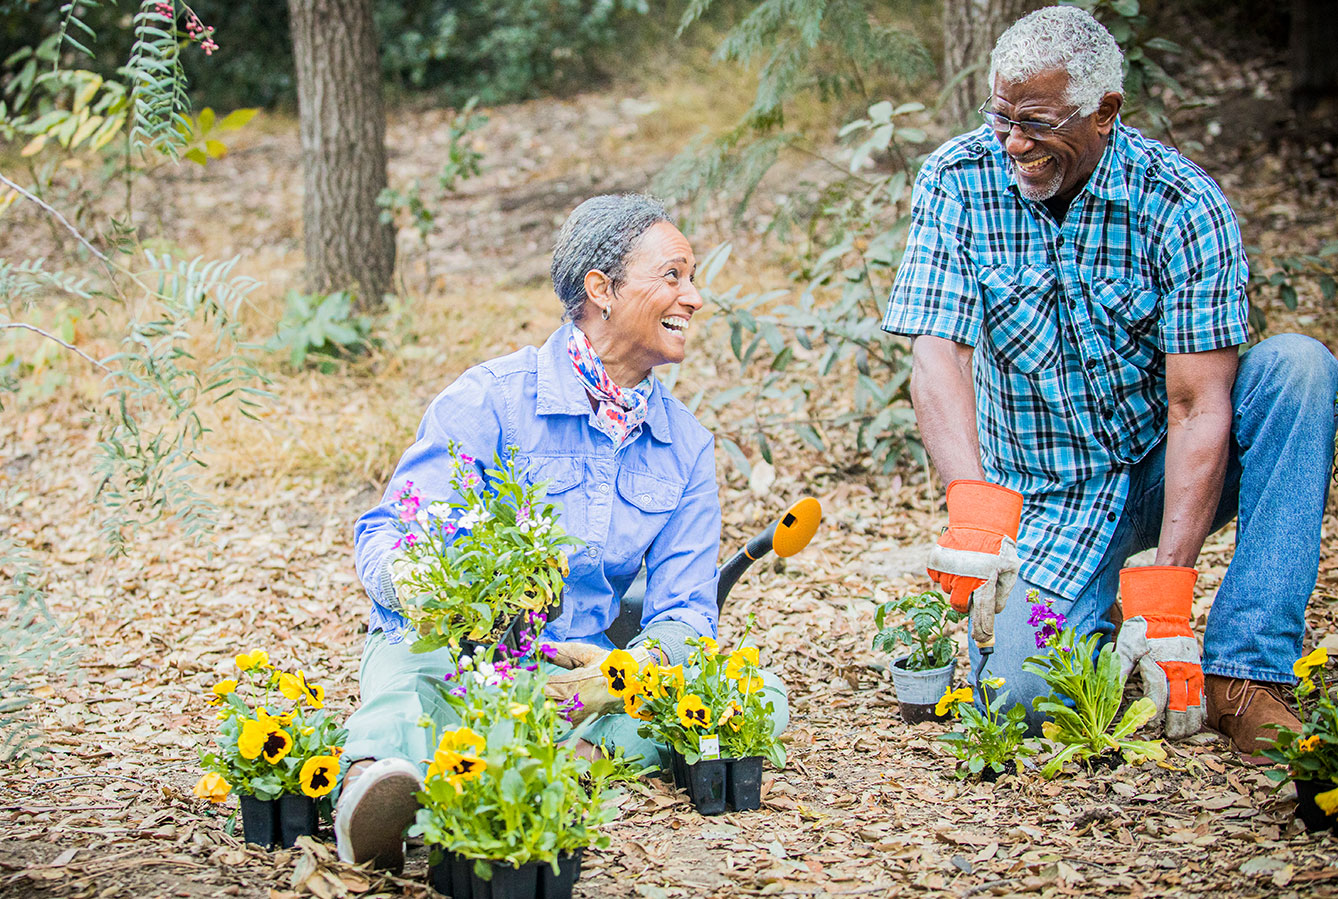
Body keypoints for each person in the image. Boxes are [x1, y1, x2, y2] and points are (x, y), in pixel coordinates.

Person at [882, 6, 1338, 760]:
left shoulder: (1180, 205)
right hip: (1047, 499)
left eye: (1037, 121)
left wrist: (1168, 592)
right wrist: (973, 512)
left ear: (1105, 112)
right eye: (1001, 116)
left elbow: (1197, 405)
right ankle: (1094, 606)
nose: (1014, 143)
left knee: (1299, 368)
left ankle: (1244, 673)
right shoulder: (957, 181)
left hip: (1168, 471)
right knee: (1020, 703)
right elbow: (938, 352)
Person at [334, 194, 788, 869]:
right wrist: (421, 581)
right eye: (673, 275)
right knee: (410, 668)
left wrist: (628, 671)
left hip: (573, 676)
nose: (693, 297)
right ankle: (378, 781)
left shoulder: (685, 446)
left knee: (755, 694)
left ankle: (552, 753)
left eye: (691, 278)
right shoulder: (488, 400)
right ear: (601, 290)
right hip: (466, 657)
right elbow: (385, 535)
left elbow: (687, 616)